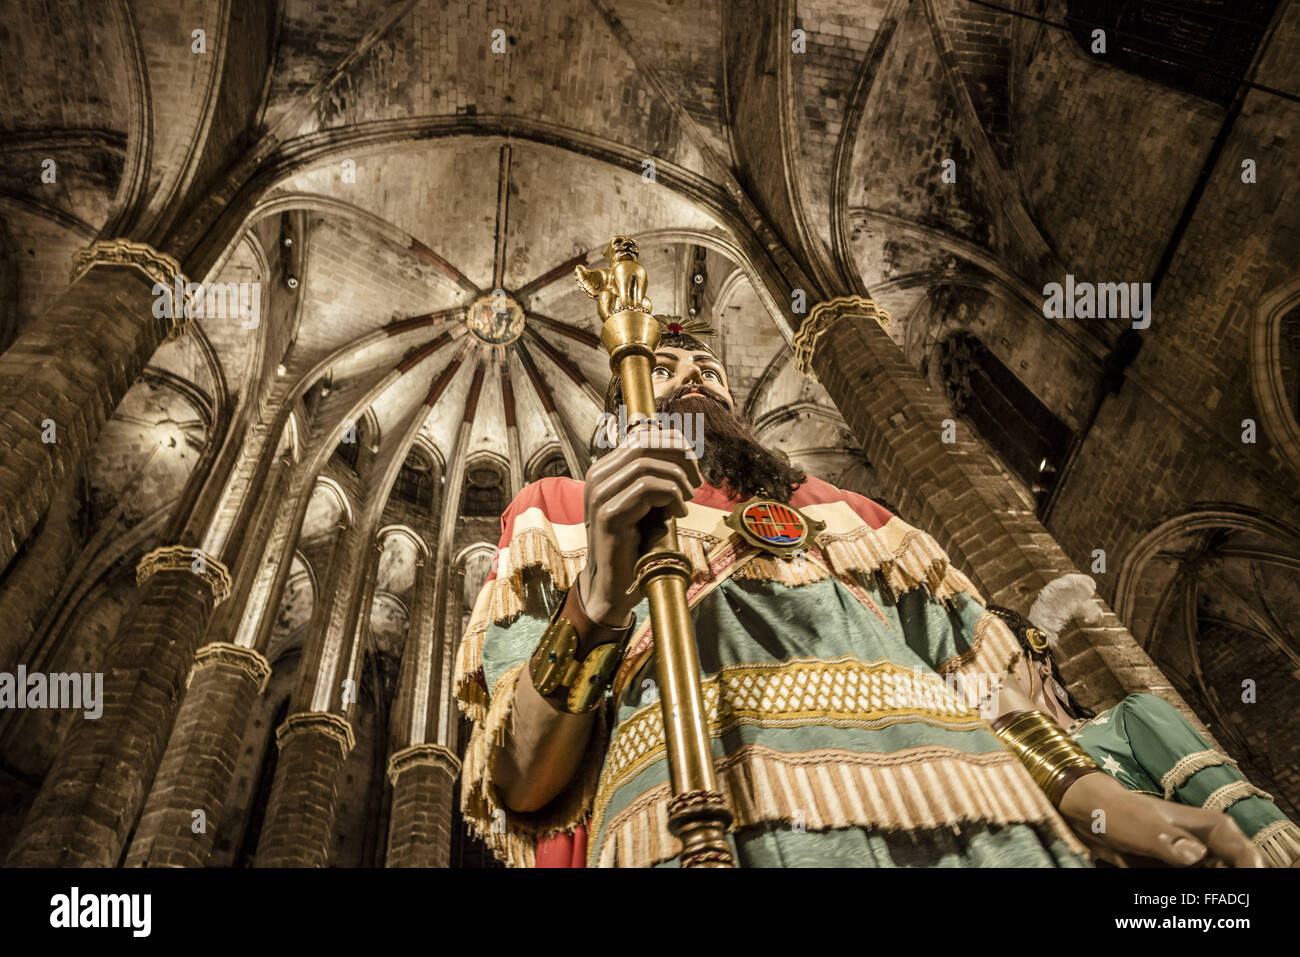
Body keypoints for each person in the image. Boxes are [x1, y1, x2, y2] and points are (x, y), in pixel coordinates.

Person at [453, 318, 1264, 868]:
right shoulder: (557, 513)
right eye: (663, 371)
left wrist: (1101, 801)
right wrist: (598, 589)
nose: (694, 381)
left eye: (709, 370)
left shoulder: (855, 512)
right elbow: (522, 784)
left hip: (971, 797)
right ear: (619, 410)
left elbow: (980, 683)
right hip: (707, 812)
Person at [986, 585, 1300, 868]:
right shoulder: (999, 782)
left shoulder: (1128, 720)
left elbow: (1237, 812)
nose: (989, 678)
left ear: (1041, 662)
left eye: (998, 659)